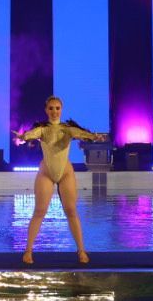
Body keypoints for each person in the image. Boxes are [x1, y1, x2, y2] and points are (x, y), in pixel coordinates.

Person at [12, 96, 108, 264]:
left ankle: (81, 251)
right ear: (46, 110)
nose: (54, 111)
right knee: (39, 211)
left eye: (57, 108)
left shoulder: (67, 129)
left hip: (65, 173)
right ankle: (28, 251)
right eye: (51, 108)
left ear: (61, 109)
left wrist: (94, 137)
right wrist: (23, 136)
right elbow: (31, 134)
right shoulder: (42, 129)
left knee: (71, 211)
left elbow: (81, 134)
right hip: (46, 173)